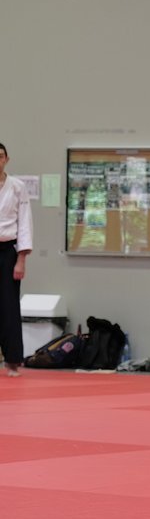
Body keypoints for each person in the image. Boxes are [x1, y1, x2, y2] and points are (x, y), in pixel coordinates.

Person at [0, 143, 32, 377]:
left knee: (9, 306)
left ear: (7, 159)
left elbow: (25, 224)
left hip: (8, 251)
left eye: (0, 156)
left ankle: (12, 360)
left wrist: (21, 260)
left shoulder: (17, 187)